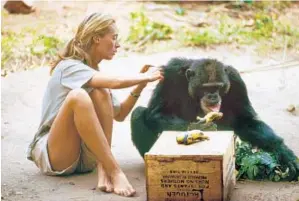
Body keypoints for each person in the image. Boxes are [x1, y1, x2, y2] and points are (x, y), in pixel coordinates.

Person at [27, 12, 164, 197]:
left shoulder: (93, 74)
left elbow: (120, 113)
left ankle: (103, 168)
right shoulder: (68, 67)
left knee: (101, 91)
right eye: (114, 38)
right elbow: (115, 81)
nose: (118, 44)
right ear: (96, 38)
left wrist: (141, 84)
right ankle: (114, 170)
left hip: (85, 158)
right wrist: (146, 76)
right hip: (57, 155)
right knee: (79, 96)